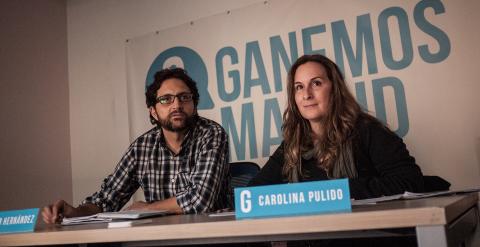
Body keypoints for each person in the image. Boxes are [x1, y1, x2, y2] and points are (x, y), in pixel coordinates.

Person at [42, 68, 230, 224]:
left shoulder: (212, 134)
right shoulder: (141, 148)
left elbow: (200, 201)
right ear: (153, 112)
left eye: (184, 97)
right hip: (160, 238)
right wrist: (74, 212)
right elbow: (107, 199)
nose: (177, 105)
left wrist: (148, 207)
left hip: (210, 236)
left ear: (194, 105)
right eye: (166, 99)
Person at [249, 54, 425, 199]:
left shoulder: (367, 131)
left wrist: (337, 191)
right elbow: (252, 193)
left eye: (316, 83)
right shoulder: (292, 145)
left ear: (335, 89)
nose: (306, 95)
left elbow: (410, 181)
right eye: (299, 87)